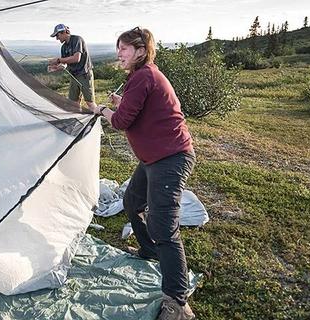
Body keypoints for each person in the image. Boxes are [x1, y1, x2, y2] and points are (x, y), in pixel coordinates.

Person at [87, 27, 196, 320]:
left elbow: (122, 122)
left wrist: (102, 111)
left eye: (123, 48)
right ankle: (148, 250)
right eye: (118, 48)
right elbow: (138, 113)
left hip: (170, 159)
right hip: (155, 159)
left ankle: (177, 302)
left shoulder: (142, 77)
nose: (118, 54)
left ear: (140, 51)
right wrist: (121, 104)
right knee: (133, 202)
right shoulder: (143, 77)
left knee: (165, 228)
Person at [48, 23, 95, 109]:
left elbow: (76, 58)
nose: (57, 38)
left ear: (64, 32)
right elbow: (64, 64)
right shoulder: (63, 47)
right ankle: (78, 120)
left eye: (57, 35)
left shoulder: (77, 39)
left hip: (84, 74)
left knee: (90, 103)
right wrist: (56, 68)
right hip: (73, 76)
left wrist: (58, 60)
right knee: (73, 103)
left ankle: (99, 119)